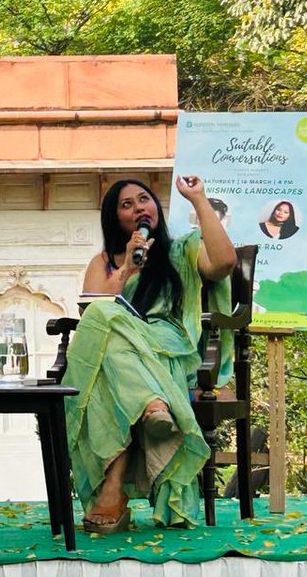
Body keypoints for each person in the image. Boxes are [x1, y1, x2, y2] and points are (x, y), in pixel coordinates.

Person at [63, 175, 237, 534]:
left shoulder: (183, 250)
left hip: (167, 344)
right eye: (126, 205)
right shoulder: (104, 262)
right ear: (116, 219)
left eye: (144, 199)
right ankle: (150, 405)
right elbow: (92, 312)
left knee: (104, 363)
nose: (138, 207)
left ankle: (113, 489)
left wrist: (199, 199)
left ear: (155, 208)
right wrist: (127, 267)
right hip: (121, 348)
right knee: (105, 329)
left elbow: (224, 263)